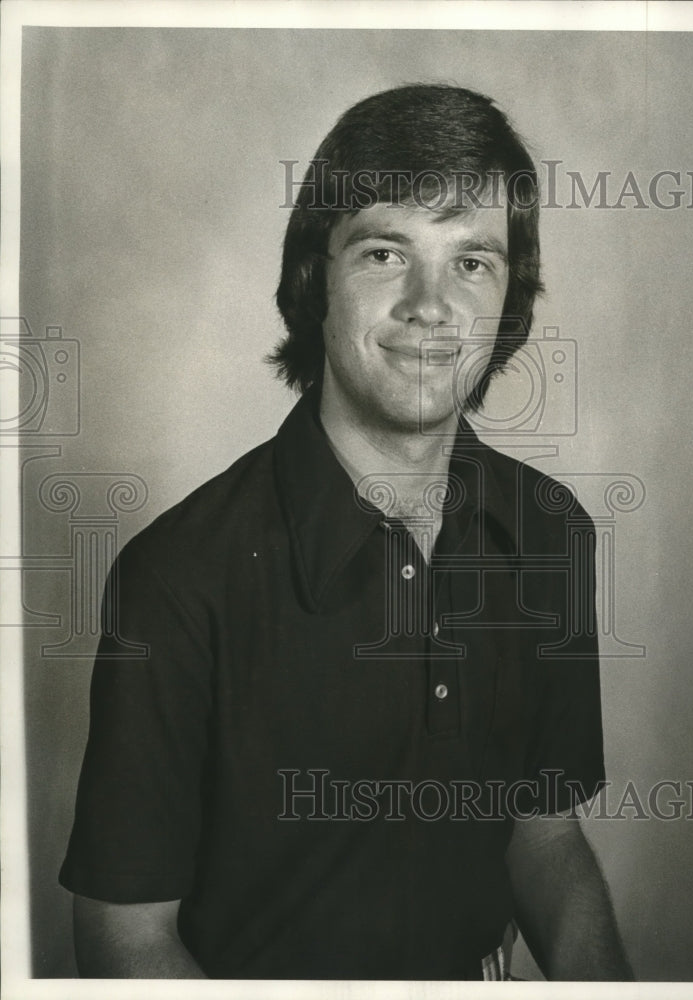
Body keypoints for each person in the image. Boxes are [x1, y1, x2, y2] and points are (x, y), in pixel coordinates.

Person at [59, 84, 633, 981]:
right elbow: (124, 938)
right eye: (383, 252)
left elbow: (546, 836)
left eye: (473, 262)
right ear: (311, 280)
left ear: (509, 298)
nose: (430, 306)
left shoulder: (551, 533)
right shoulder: (175, 579)